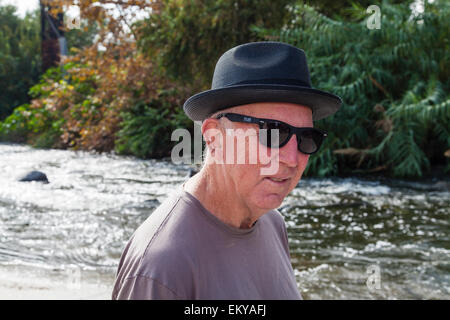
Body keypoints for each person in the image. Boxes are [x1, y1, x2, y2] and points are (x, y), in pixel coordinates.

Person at [112, 41, 342, 300]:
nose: (292, 158)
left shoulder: (272, 223)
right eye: (273, 133)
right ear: (215, 137)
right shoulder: (160, 267)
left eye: (306, 138)